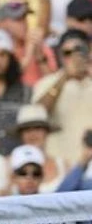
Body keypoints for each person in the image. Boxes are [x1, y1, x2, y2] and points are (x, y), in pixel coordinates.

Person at [31, 29, 92, 166]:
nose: (74, 56)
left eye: (79, 50)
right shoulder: (47, 83)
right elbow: (38, 113)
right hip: (61, 161)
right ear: (60, 57)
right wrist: (65, 77)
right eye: (67, 53)